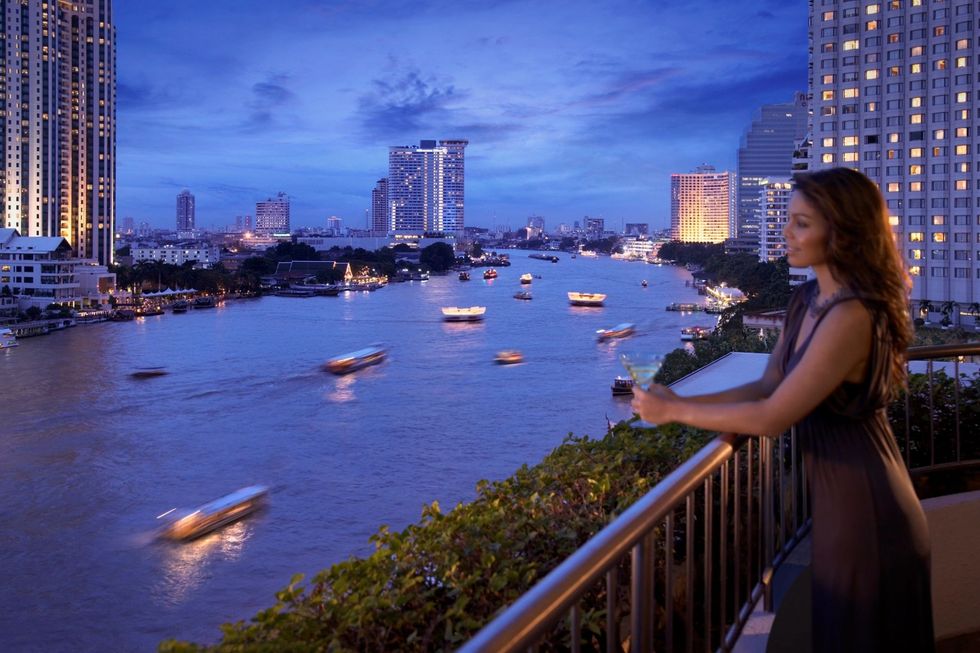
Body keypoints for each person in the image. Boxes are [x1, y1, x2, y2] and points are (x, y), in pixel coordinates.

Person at [631, 167, 934, 652]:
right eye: (789, 220)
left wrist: (675, 414)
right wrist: (682, 399)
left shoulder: (852, 315)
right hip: (837, 507)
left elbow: (774, 415)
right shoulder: (808, 298)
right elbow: (771, 382)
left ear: (842, 232)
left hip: (869, 510)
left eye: (801, 223)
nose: (786, 233)